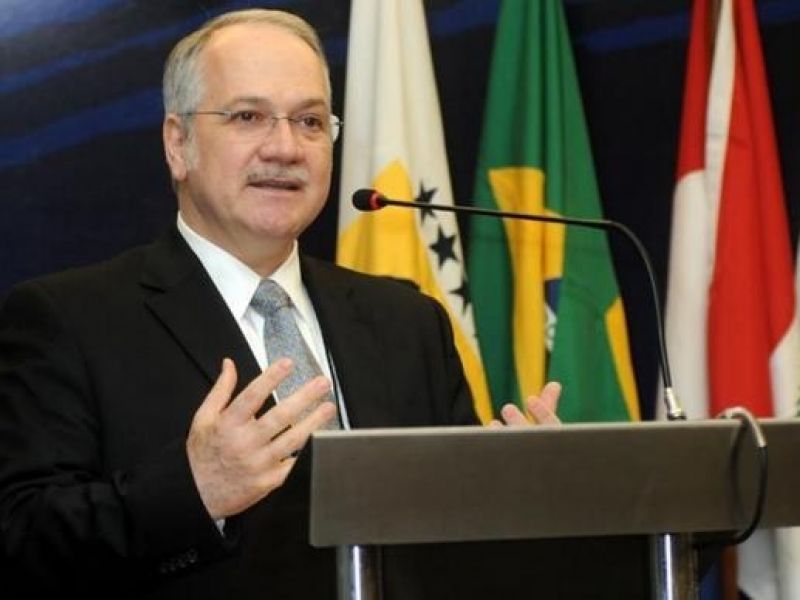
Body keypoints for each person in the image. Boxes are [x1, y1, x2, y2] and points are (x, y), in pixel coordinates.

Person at [0, 8, 561, 599]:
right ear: (178, 144)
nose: (286, 147)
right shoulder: (71, 319)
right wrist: (194, 491)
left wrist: (517, 495)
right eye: (248, 116)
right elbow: (22, 540)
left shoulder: (407, 321)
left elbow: (453, 549)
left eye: (310, 121)